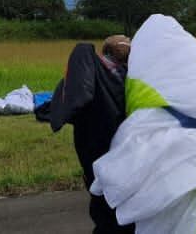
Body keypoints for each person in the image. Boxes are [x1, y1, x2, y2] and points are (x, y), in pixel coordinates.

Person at [43, 34, 134, 234]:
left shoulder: (93, 76)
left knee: (105, 205)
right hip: (124, 153)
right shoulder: (129, 80)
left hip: (96, 151)